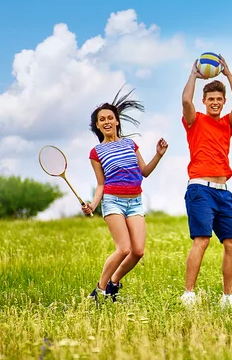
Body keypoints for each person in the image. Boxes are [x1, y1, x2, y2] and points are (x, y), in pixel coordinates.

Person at [83, 88, 168, 302]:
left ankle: (113, 283)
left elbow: (145, 171)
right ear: (98, 125)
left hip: (135, 202)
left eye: (110, 117)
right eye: (102, 119)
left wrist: (158, 155)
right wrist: (93, 205)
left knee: (138, 251)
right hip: (113, 202)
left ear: (117, 121)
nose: (106, 121)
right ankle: (99, 291)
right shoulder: (96, 152)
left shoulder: (130, 144)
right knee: (123, 248)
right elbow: (101, 184)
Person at [180, 55, 232, 308]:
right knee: (202, 240)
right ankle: (189, 294)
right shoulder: (194, 120)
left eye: (219, 99)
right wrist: (193, 76)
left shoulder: (228, 124)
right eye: (212, 100)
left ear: (223, 101)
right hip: (199, 188)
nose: (216, 103)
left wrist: (228, 73)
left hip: (223, 192)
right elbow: (186, 100)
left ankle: (227, 298)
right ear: (204, 102)